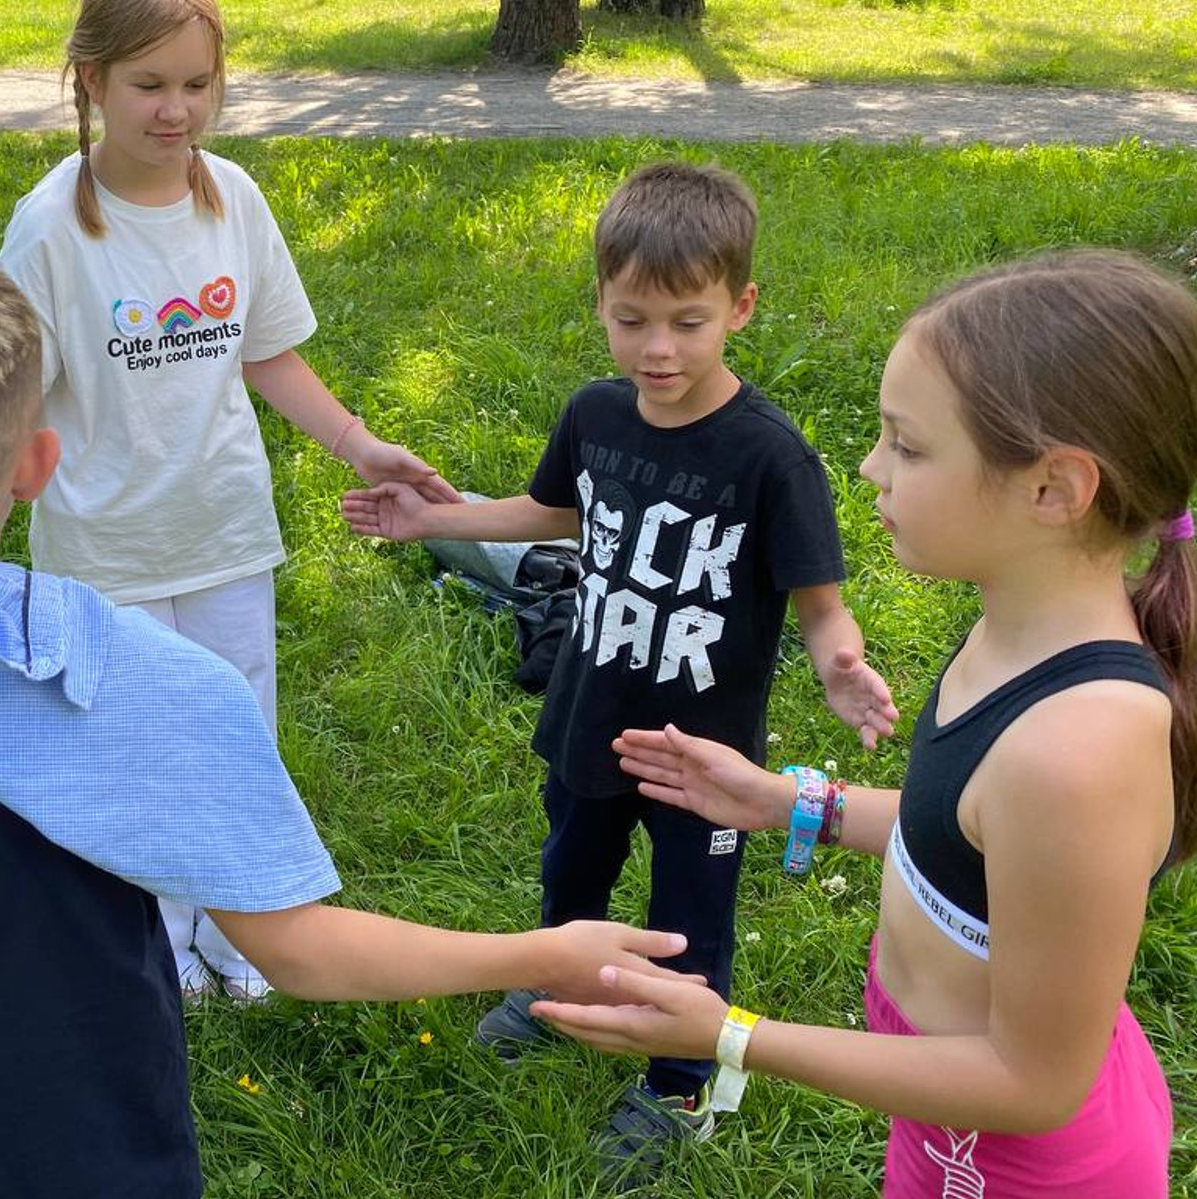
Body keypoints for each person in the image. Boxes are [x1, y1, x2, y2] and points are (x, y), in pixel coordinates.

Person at [0, 240, 693, 1199]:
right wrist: (532, 952)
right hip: (113, 1150)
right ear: (34, 465)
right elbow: (298, 951)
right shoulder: (156, 681)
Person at [534, 249, 1197, 1199]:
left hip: (1017, 1165)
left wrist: (731, 1036)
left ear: (1055, 489)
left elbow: (1034, 1082)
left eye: (907, 444)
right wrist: (793, 805)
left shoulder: (1081, 750)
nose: (869, 466)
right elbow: (971, 839)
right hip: (946, 1120)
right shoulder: (1012, 632)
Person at [340, 160, 897, 1179]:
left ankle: (679, 1080)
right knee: (571, 872)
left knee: (689, 921)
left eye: (686, 321)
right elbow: (555, 511)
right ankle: (567, 991)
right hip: (589, 712)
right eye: (631, 317)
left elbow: (821, 606)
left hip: (704, 761)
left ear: (739, 306)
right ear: (599, 301)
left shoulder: (771, 458)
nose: (656, 347)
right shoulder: (595, 415)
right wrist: (435, 518)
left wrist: (839, 665)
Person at [0, 0, 458, 1000]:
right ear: (90, 80)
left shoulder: (233, 200)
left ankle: (234, 929)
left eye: (197, 85)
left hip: (222, 534)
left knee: (235, 735)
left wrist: (356, 441)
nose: (176, 110)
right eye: (148, 85)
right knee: (134, 746)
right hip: (103, 552)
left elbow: (265, 352)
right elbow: (12, 408)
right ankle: (155, 937)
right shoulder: (47, 231)